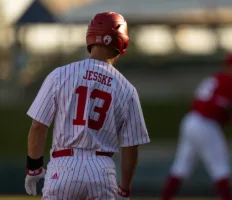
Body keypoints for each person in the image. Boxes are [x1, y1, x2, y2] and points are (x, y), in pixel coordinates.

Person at [24, 12, 150, 200]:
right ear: (122, 44)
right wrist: (124, 190)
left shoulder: (60, 75)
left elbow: (38, 125)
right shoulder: (127, 89)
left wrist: (34, 168)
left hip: (63, 166)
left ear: (90, 37)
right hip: (102, 170)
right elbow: (131, 147)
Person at [161, 54, 232, 200]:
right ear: (231, 67)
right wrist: (228, 118)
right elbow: (218, 110)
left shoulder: (215, 78)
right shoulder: (228, 82)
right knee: (221, 168)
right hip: (205, 123)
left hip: (190, 121)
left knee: (181, 166)